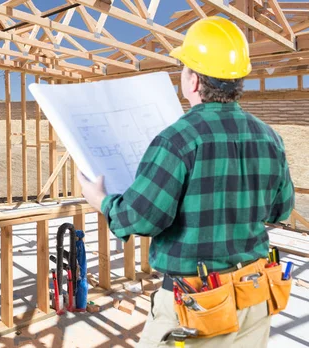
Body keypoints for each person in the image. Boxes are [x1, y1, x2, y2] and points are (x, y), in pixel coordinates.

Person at [77, 16, 295, 347]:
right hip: (254, 295)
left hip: (197, 304)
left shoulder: (177, 140)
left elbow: (141, 218)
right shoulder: (269, 138)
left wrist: (102, 201)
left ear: (193, 81)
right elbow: (281, 209)